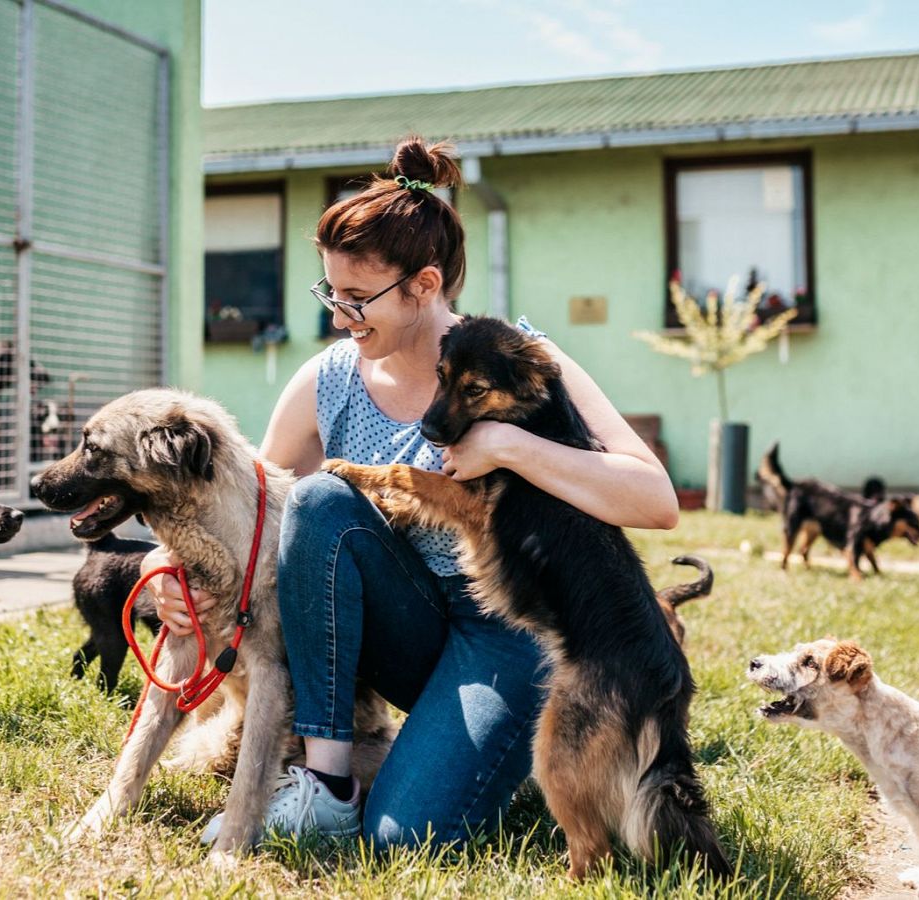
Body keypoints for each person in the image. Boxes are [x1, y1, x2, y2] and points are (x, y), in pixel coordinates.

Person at [142, 136, 679, 850]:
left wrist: (508, 444)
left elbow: (655, 499)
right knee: (319, 501)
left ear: (425, 285)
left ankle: (488, 746)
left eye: (359, 297)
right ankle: (328, 782)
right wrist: (161, 574)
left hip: (508, 634)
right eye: (330, 292)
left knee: (405, 837)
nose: (339, 314)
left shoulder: (517, 358)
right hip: (401, 625)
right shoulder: (327, 379)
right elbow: (251, 516)